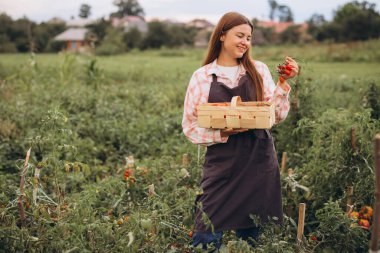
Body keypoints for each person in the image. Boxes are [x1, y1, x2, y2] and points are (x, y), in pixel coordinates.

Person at [181, 12, 299, 249]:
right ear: (222, 35)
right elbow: (190, 126)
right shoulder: (202, 77)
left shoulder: (258, 70)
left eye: (249, 37)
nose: (245, 42)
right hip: (221, 166)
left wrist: (283, 85)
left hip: (258, 163)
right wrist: (223, 133)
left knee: (251, 240)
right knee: (206, 234)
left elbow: (274, 116)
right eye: (240, 35)